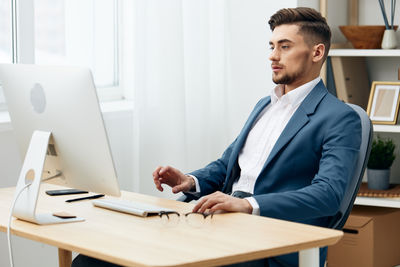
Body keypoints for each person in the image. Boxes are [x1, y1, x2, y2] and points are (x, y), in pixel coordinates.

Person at [72, 7, 361, 267]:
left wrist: (248, 205)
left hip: (270, 240)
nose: (273, 55)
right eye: (272, 46)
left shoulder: (338, 118)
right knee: (92, 260)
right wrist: (191, 180)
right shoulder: (265, 105)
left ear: (317, 52)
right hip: (218, 221)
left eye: (285, 47)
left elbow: (329, 195)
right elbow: (228, 165)